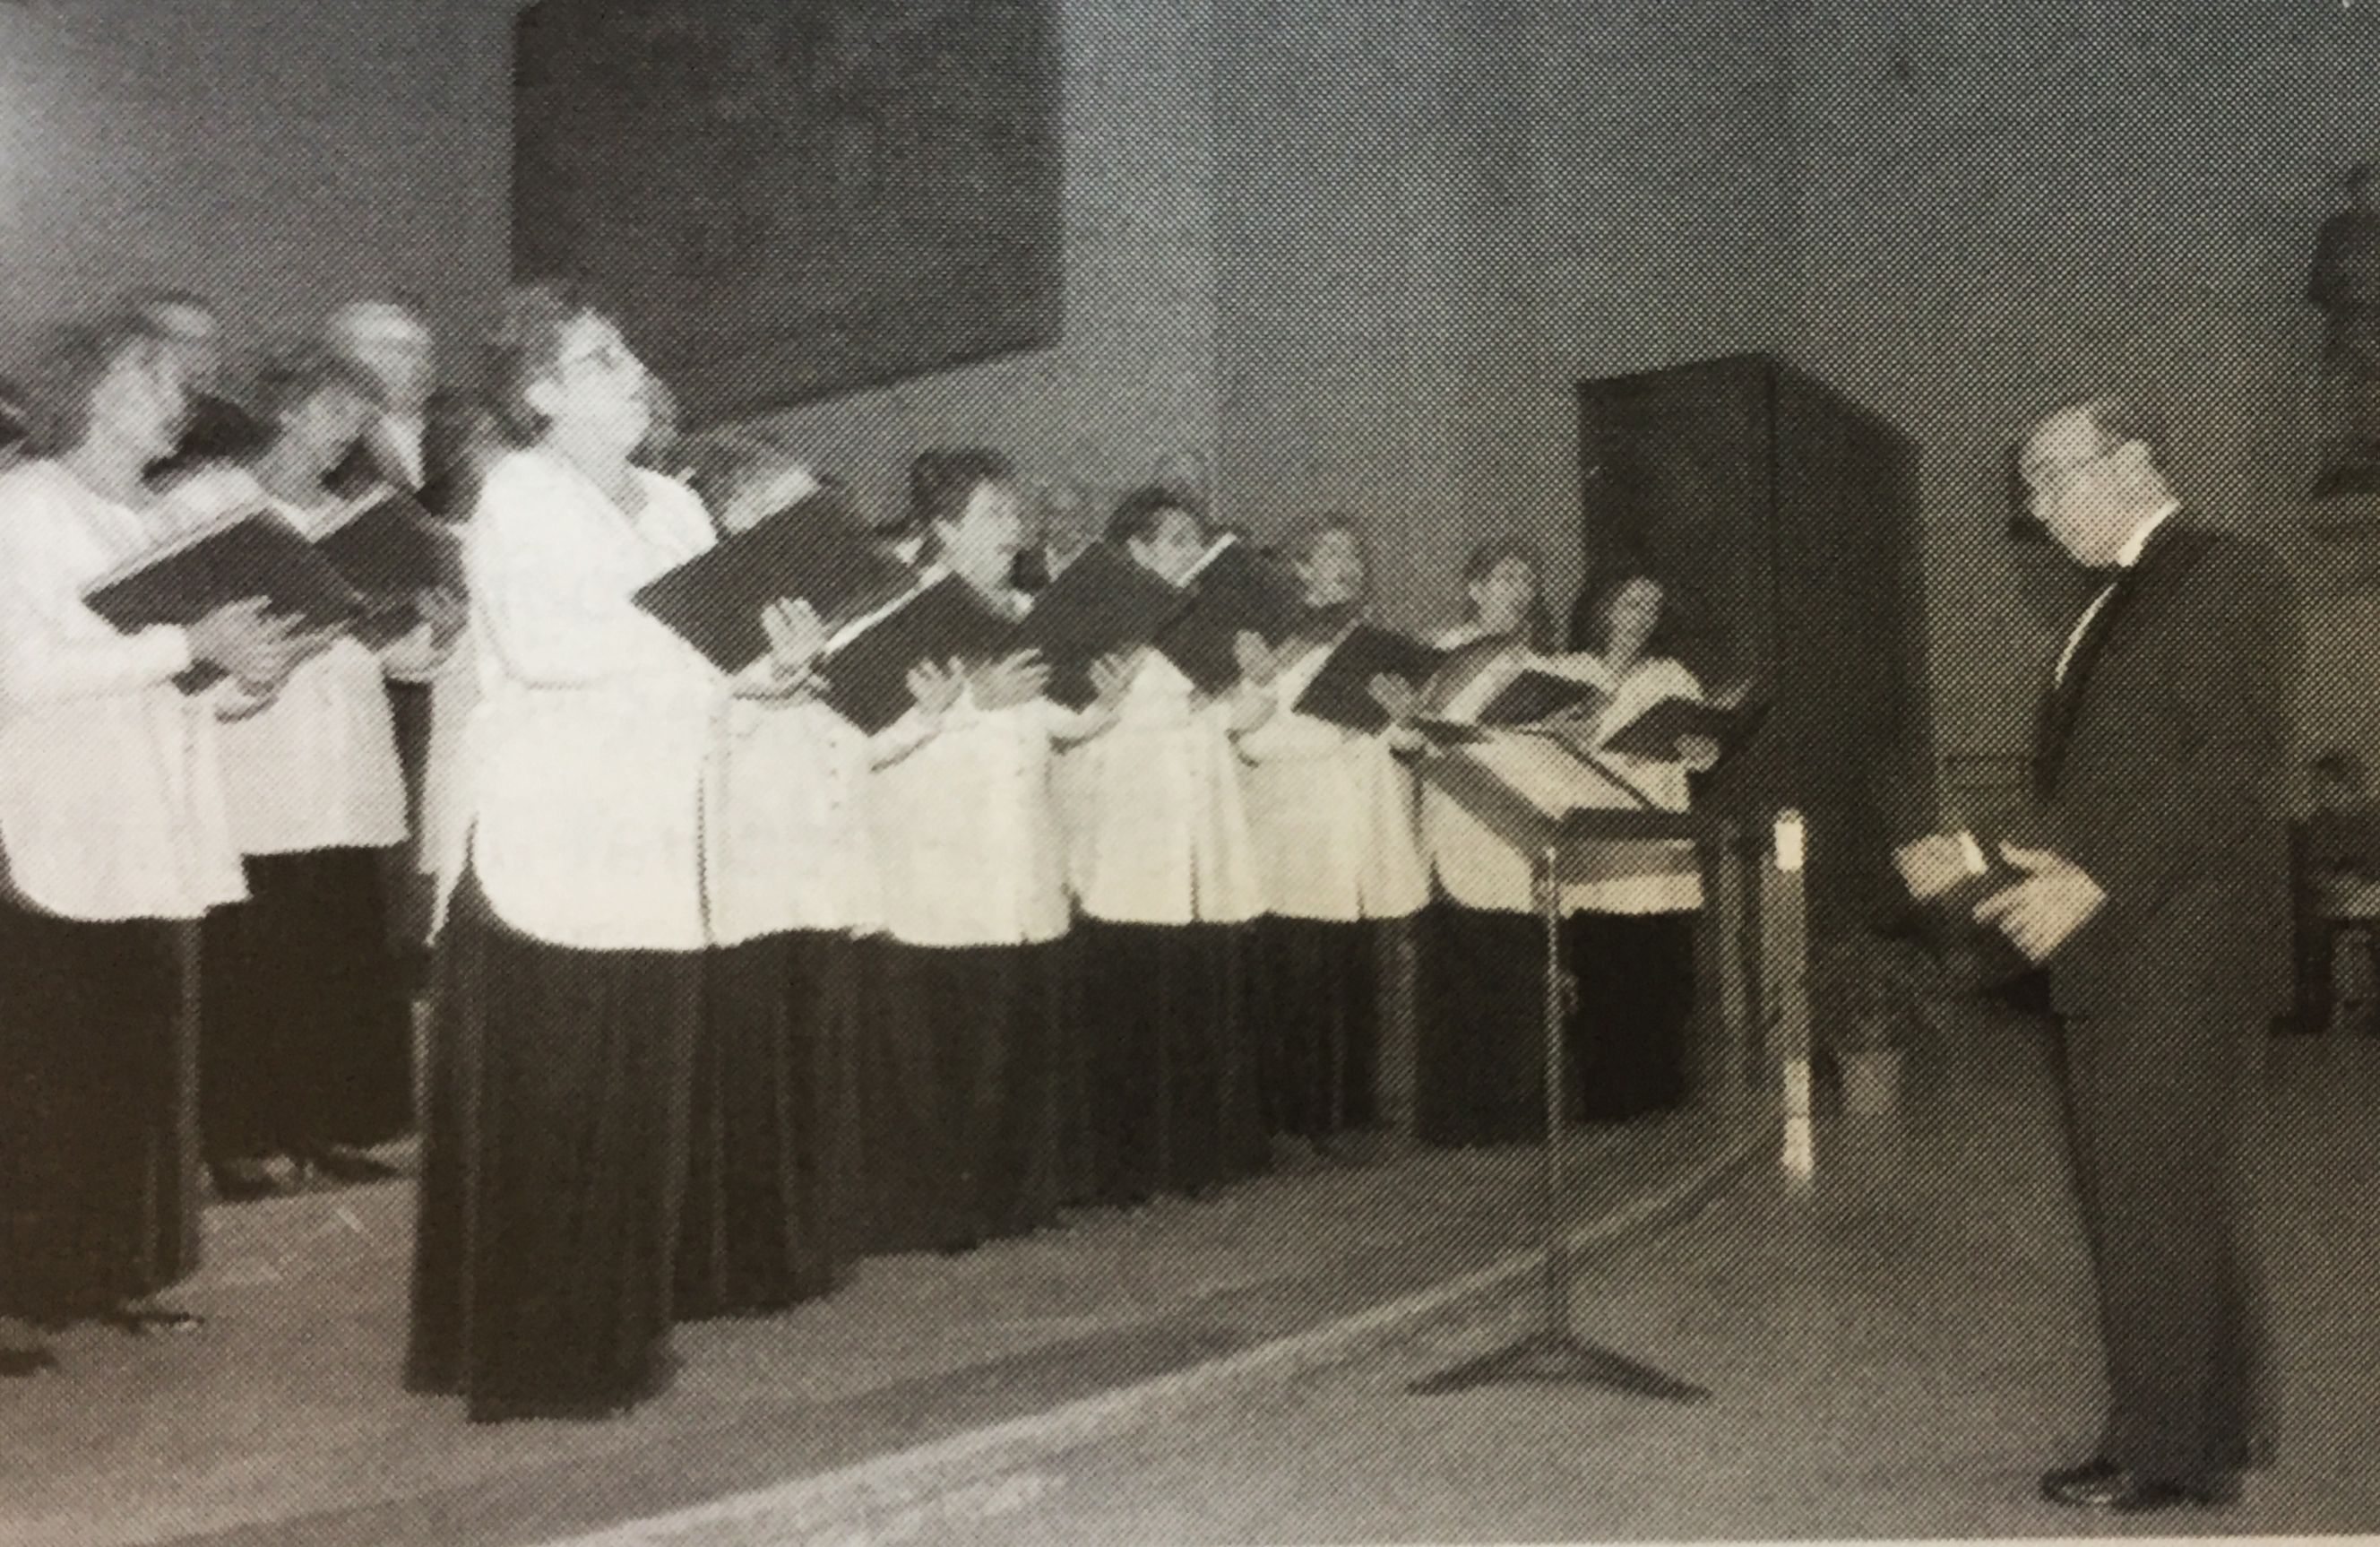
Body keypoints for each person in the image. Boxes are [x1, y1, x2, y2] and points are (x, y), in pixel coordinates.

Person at [404, 283, 816, 1422]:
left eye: (626, 351)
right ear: (539, 395)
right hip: (552, 841)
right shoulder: (518, 495)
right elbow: (546, 646)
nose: (630, 371)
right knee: (557, 1105)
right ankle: (540, 1361)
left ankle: (617, 1334)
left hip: (652, 840)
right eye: (595, 360)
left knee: (639, 1099)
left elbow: (714, 661)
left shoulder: (682, 505)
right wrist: (703, 650)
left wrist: (771, 665)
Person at [1902, 394, 2301, 1511]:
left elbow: (2233, 770)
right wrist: (1985, 848)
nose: (2033, 507)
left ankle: (2158, 1450)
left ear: (2129, 461)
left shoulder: (2227, 574)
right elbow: (2107, 792)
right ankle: (2209, 1435)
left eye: (2047, 476)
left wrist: (2092, 879)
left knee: (2151, 1202)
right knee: (2168, 1197)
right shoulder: (2109, 606)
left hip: (2180, 946)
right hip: (2139, 940)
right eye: (2026, 487)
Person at [0, 315, 313, 1375]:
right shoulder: (26, 503)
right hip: (65, 818)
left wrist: (244, 675)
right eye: (148, 375)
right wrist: (188, 642)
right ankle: (14, 1295)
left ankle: (109, 1273)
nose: (174, 393)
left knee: (135, 1071)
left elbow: (181, 689)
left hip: (160, 820)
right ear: (85, 390)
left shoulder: (165, 514)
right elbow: (20, 672)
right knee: (43, 1071)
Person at [168, 351, 462, 1202]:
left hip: (346, 763)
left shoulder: (352, 514)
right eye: (341, 410)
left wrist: (431, 633)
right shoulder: (210, 505)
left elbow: (396, 656)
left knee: (340, 957)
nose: (352, 432)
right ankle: (241, 1137)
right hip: (257, 755)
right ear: (290, 408)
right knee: (253, 958)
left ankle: (338, 1128)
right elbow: (192, 626)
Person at [675, 441, 953, 1313]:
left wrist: (918, 719)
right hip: (748, 878)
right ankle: (745, 1263)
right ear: (740, 519)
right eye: (796, 511)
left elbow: (840, 741)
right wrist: (776, 674)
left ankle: (803, 1248)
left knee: (808, 1070)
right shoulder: (698, 606)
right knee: (747, 1081)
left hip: (818, 872)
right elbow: (703, 729)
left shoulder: (812, 612)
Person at [862, 449, 1134, 1252]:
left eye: (1015, 515)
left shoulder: (1027, 610)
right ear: (943, 528)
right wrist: (970, 703)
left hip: (1020, 854)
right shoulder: (899, 614)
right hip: (939, 862)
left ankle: (1019, 1198)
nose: (1012, 531)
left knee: (1015, 1034)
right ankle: (945, 1212)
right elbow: (869, 739)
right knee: (949, 1044)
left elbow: (1053, 723)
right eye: (992, 515)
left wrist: (1103, 703)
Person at [1067, 486, 1274, 1205]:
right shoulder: (1103, 625)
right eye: (1180, 540)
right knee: (1130, 1012)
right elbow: (1082, 729)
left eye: (1197, 540)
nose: (1194, 554)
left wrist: (1252, 678)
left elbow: (1240, 723)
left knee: (1194, 1006)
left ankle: (1194, 1158)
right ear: (1137, 550)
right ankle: (1126, 1170)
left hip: (1198, 833)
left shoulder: (1210, 622)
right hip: (1131, 837)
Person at [1236, 516, 1427, 1161]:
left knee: (1357, 972)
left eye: (1355, 552)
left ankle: (1354, 1109)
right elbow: (1254, 740)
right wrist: (1337, 732)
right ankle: (1299, 1116)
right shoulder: (1278, 639)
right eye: (1332, 552)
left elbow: (1403, 743)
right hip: (1296, 828)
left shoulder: (1373, 639)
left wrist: (1402, 718)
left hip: (1361, 824)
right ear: (1300, 567)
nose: (1348, 563)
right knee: (1300, 977)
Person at [1559, 571, 1718, 1121]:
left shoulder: (1673, 674)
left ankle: (1662, 1086)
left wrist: (1703, 749)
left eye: (1652, 604)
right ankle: (1606, 1093)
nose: (1643, 614)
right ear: (1603, 607)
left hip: (1659, 837)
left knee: (1660, 963)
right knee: (1603, 963)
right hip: (1599, 838)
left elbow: (1703, 754)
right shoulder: (1570, 671)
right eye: (1632, 602)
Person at [128, 290, 268, 488]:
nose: (203, 357)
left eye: (211, 344)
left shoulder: (230, 423)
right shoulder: (123, 422)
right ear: (143, 348)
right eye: (187, 343)